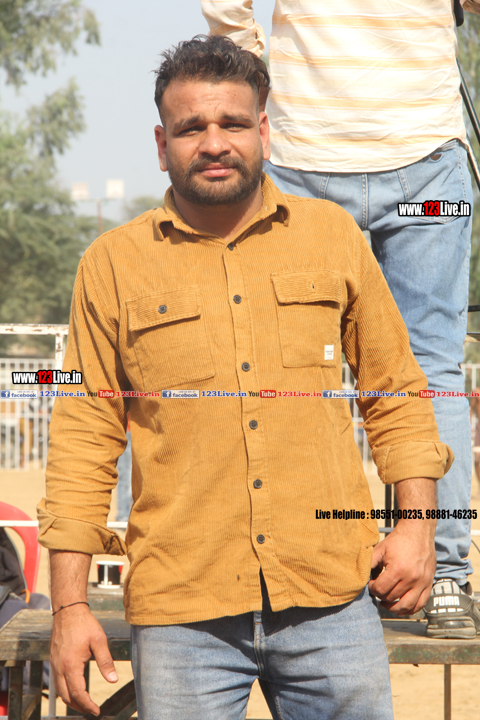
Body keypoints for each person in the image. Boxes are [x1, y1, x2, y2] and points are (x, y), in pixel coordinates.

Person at [38, 36, 454, 720]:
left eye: (232, 123)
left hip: (331, 598)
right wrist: (70, 605)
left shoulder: (332, 236)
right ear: (161, 143)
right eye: (190, 127)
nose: (213, 142)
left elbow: (396, 393)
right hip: (182, 612)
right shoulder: (112, 264)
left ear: (262, 130)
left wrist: (416, 528)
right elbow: (84, 438)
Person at [201, 0, 480, 639]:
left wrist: (258, 67)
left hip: (307, 150)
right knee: (434, 367)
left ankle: (294, 570)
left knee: (287, 363)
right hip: (424, 164)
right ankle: (445, 579)